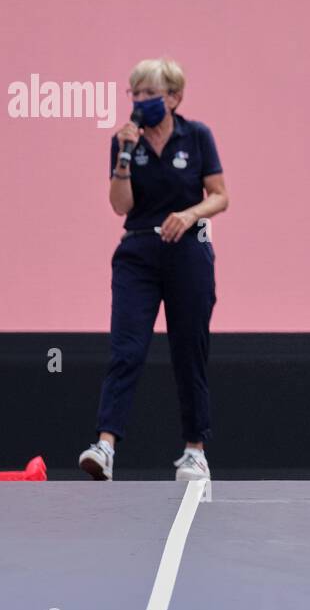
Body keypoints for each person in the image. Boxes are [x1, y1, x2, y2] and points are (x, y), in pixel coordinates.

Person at [79, 57, 228, 482]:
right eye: (136, 94)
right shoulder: (124, 142)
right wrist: (124, 158)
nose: (141, 102)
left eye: (150, 94)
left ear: (174, 97)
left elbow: (220, 195)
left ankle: (194, 450)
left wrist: (190, 214)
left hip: (188, 250)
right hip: (139, 251)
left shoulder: (196, 136)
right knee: (127, 348)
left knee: (189, 349)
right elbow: (119, 205)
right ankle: (105, 447)